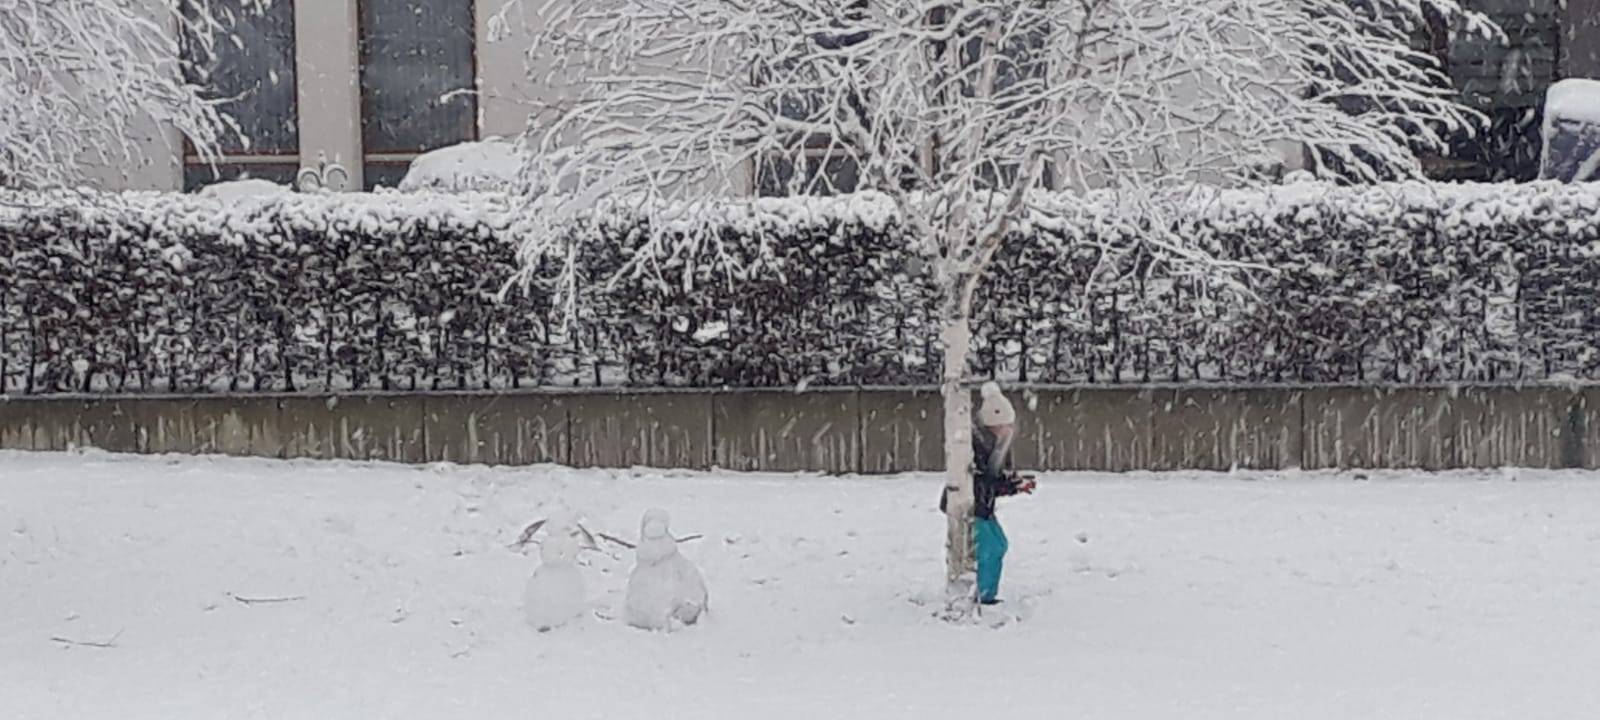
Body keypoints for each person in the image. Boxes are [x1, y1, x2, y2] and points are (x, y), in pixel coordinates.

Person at [943, 381, 1036, 605]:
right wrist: (1012, 485)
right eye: (1005, 425)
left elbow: (990, 480)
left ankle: (985, 592)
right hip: (973, 507)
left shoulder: (990, 446)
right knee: (990, 548)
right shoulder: (979, 449)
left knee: (998, 544)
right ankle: (983, 595)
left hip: (981, 505)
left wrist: (1013, 483)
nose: (1008, 431)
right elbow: (983, 481)